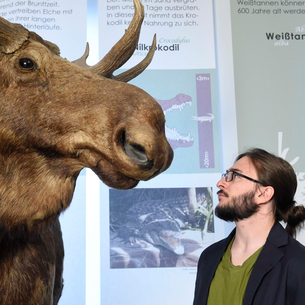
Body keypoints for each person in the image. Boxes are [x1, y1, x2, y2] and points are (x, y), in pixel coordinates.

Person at [193, 148, 305, 305]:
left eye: (235, 176)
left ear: (263, 194)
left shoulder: (298, 263)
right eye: (226, 175)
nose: (220, 183)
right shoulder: (209, 257)